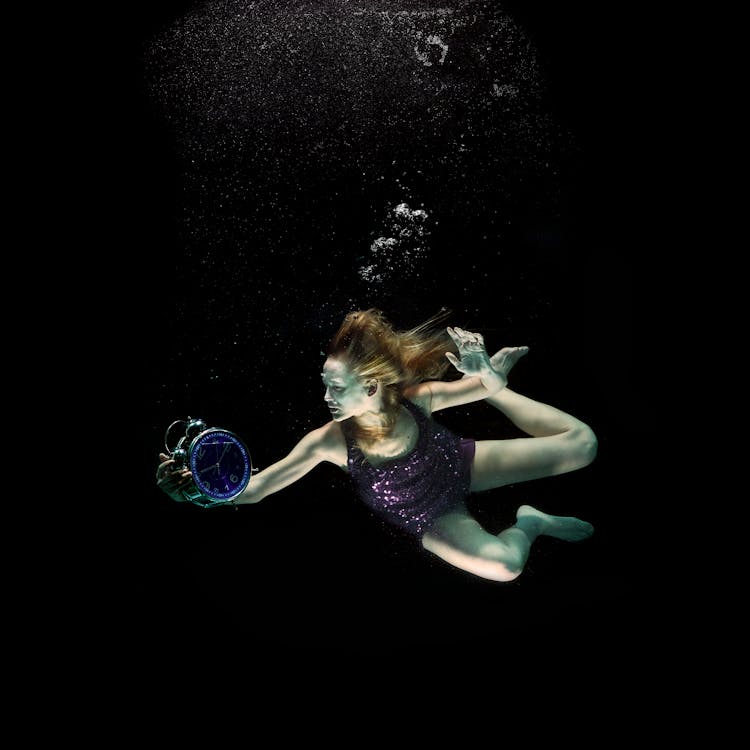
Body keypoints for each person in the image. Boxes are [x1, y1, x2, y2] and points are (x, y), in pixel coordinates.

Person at [156, 308, 597, 582]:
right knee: (505, 568)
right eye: (324, 385)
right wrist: (198, 492)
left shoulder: (416, 400)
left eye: (335, 387)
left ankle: (495, 386)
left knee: (584, 446)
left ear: (370, 387)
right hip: (431, 515)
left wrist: (487, 377)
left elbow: (481, 387)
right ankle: (532, 522)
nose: (325, 397)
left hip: (460, 464)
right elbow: (256, 489)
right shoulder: (327, 442)